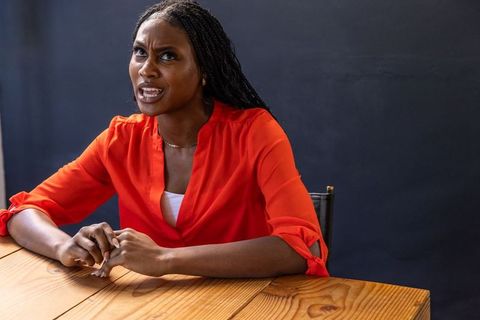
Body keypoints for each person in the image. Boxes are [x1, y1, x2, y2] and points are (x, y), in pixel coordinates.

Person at [0, 0, 328, 278]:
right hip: (153, 308)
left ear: (204, 71)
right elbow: (24, 212)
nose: (147, 69)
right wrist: (65, 246)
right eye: (140, 53)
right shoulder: (121, 141)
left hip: (249, 304)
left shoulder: (255, 132)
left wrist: (164, 259)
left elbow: (301, 248)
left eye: (168, 56)